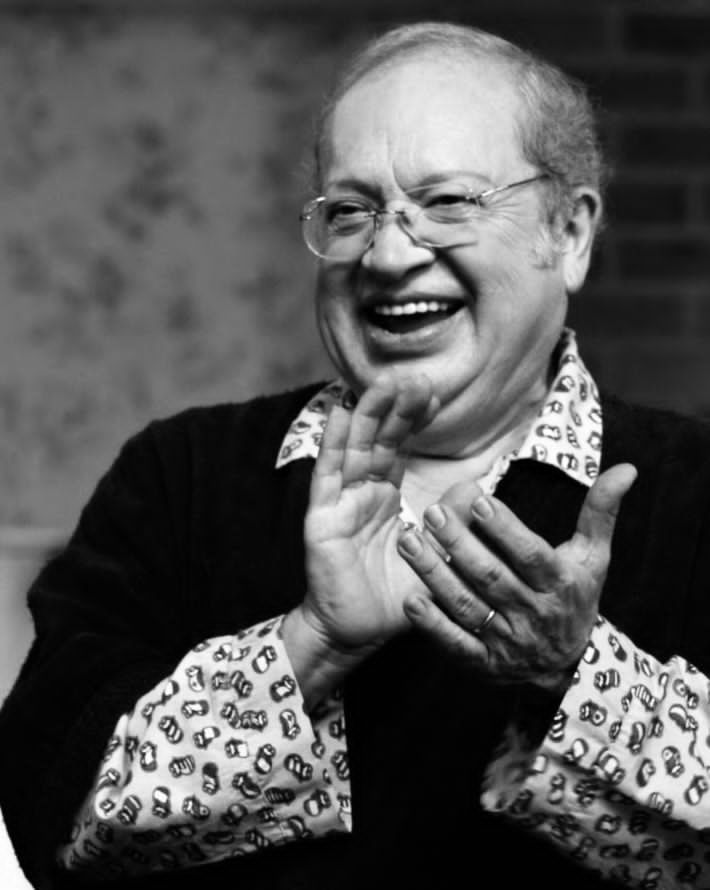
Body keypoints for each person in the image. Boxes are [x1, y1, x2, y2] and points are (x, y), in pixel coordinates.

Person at [1, 18, 710, 890]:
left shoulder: (694, 490)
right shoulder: (179, 477)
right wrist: (312, 646)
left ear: (567, 233)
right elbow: (57, 820)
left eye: (448, 202)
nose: (388, 254)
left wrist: (573, 674)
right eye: (350, 210)